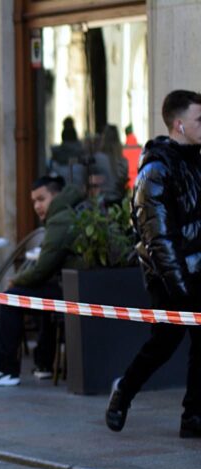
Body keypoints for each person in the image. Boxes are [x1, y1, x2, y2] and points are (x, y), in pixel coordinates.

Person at [106, 89, 201, 439]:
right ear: (179, 124)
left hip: (197, 271)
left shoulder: (196, 162)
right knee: (164, 343)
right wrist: (181, 286)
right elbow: (158, 236)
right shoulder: (156, 169)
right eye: (199, 119)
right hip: (171, 276)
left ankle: (193, 415)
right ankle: (124, 392)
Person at [0, 175, 84, 386]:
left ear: (56, 196)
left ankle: (5, 369)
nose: (37, 206)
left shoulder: (60, 219)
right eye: (34, 201)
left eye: (41, 199)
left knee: (11, 298)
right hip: (73, 287)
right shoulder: (67, 212)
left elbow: (42, 269)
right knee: (38, 294)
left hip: (72, 290)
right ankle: (44, 363)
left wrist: (16, 280)